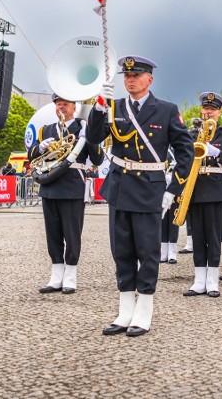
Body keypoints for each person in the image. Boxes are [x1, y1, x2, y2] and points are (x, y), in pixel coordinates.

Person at [87, 55, 194, 338]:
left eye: (136, 75)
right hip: (120, 187)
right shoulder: (114, 106)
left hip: (149, 188)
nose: (130, 79)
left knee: (147, 252)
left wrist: (173, 189)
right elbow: (94, 137)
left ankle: (144, 309)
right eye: (127, 76)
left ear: (150, 79)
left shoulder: (167, 110)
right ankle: (125, 310)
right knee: (121, 251)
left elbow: (186, 152)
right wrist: (98, 107)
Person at [30, 93, 104, 295]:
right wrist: (39, 148)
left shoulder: (83, 128)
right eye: (57, 104)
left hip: (72, 186)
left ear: (74, 107)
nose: (60, 107)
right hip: (50, 185)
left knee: (72, 234)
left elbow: (97, 159)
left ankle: (70, 275)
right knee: (52, 234)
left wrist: (93, 137)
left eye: (64, 104)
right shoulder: (47, 130)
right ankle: (56, 274)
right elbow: (32, 156)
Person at [182, 92, 222, 297]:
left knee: (214, 237)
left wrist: (218, 154)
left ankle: (213, 280)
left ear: (219, 112)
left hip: (216, 189)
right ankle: (199, 280)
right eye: (205, 109)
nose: (208, 112)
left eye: (212, 109)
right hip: (195, 189)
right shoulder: (191, 134)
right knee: (197, 236)